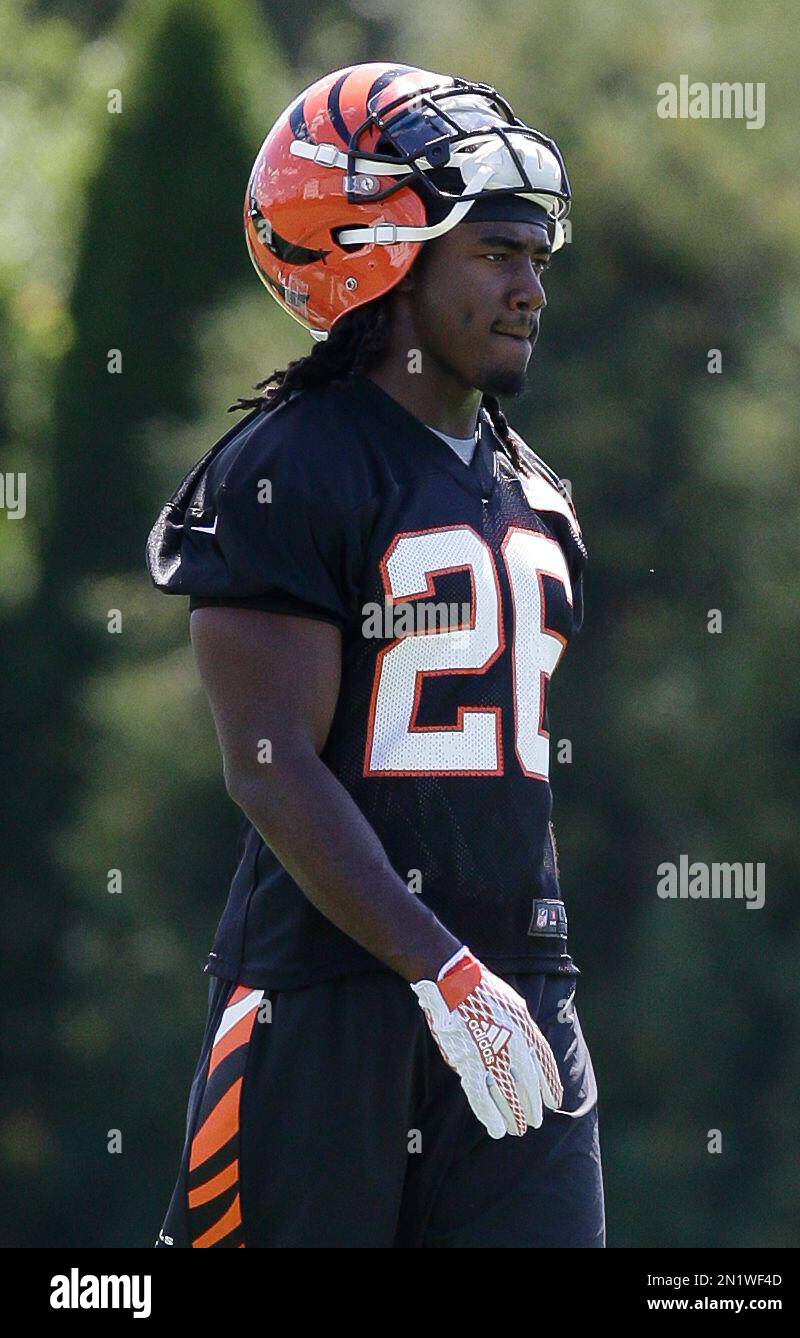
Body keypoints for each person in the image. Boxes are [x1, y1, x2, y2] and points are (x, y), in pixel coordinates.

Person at [147, 62, 604, 1248]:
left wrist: (498, 980)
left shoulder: (532, 489)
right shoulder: (290, 464)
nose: (529, 291)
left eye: (537, 260)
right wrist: (436, 969)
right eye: (497, 252)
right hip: (328, 998)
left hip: (521, 990)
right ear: (381, 255)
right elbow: (268, 763)